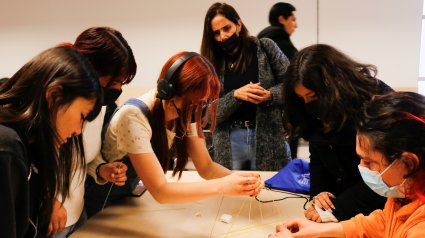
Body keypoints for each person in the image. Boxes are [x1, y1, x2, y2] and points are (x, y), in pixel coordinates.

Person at [89, 51, 263, 212]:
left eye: (202, 102)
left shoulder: (185, 111)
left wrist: (243, 182)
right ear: (168, 91)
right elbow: (161, 191)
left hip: (124, 200)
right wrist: (223, 186)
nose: (197, 109)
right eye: (194, 102)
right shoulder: (133, 117)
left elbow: (206, 167)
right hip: (99, 203)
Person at [270, 91, 425, 237]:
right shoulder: (405, 193)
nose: (362, 167)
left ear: (409, 164)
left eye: (369, 162)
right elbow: (383, 222)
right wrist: (321, 230)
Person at [0, 46, 102, 237]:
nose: (78, 131)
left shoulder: (29, 143)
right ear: (54, 95)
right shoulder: (7, 147)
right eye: (81, 116)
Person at [282, 44, 392, 222]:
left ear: (332, 85)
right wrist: (320, 194)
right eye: (302, 99)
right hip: (349, 207)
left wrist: (337, 209)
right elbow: (318, 157)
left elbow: (384, 179)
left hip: (381, 210)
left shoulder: (377, 106)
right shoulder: (319, 113)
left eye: (312, 96)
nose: (308, 104)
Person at [49, 26, 137, 237]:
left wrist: (101, 169)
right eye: (113, 81)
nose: (117, 88)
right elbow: (33, 164)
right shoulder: (55, 103)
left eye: (122, 82)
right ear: (90, 69)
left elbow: (82, 158)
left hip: (78, 214)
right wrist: (48, 201)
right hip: (50, 222)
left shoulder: (101, 107)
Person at [200, 2, 291, 171]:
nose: (223, 36)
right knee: (232, 193)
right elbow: (207, 115)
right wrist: (234, 96)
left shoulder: (265, 47)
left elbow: (292, 86)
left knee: (271, 191)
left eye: (226, 28)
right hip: (230, 141)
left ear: (238, 24)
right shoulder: (210, 63)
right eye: (216, 33)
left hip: (268, 137)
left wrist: (270, 95)